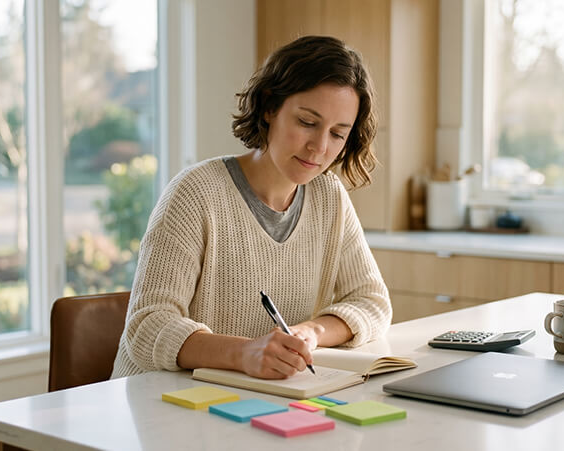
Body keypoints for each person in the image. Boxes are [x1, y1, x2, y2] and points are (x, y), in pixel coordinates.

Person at [110, 35, 391, 380]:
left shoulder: (329, 196)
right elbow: (147, 326)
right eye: (307, 122)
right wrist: (244, 353)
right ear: (270, 107)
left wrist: (311, 332)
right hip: (158, 405)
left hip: (255, 400)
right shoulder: (195, 192)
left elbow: (372, 302)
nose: (319, 147)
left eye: (338, 133)